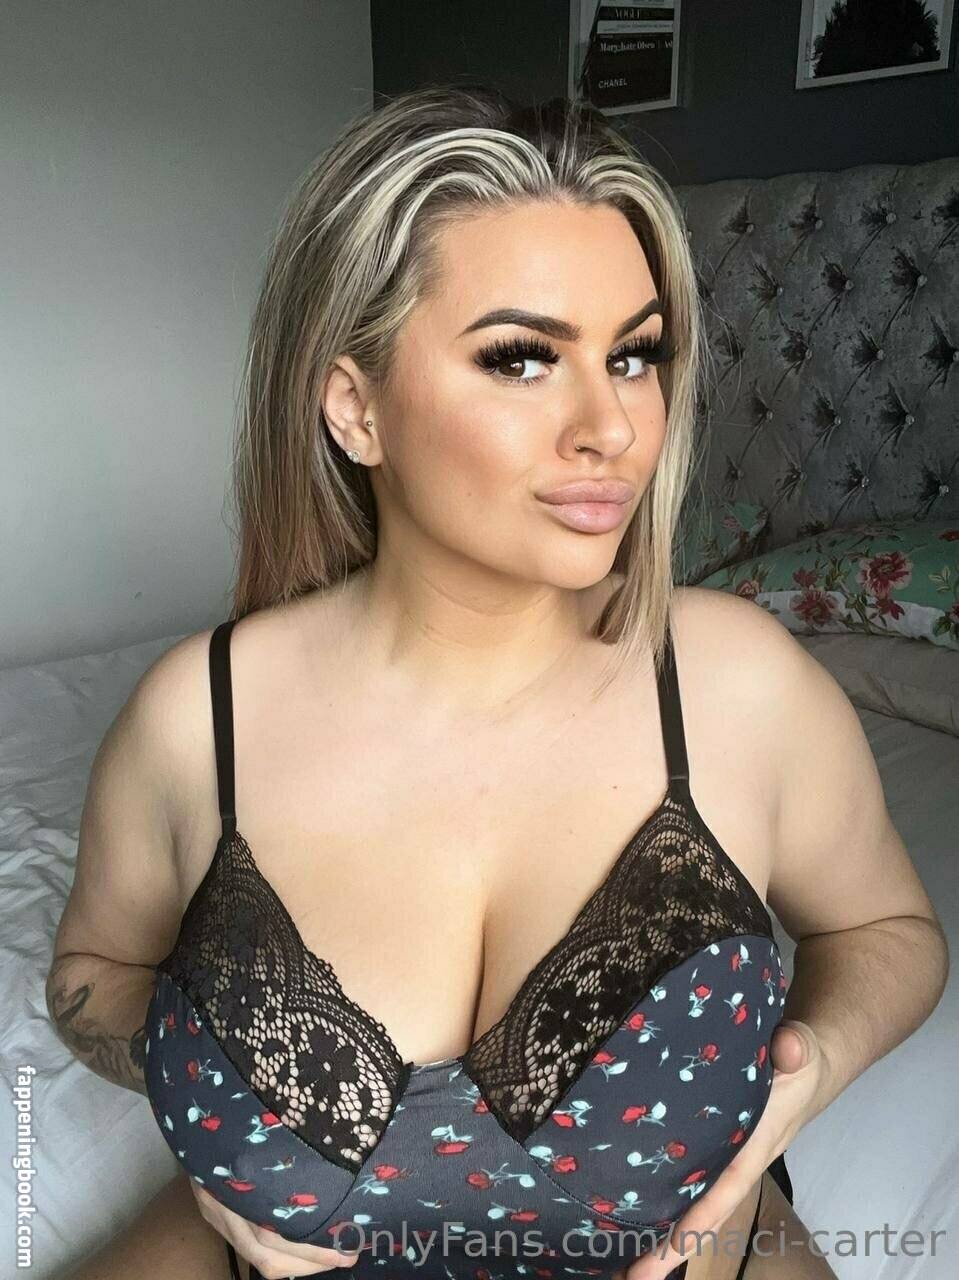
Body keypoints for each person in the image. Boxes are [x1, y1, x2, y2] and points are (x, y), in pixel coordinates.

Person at [49, 85, 948, 1280]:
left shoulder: (737, 686)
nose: (610, 426)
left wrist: (814, 1059)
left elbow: (889, 929)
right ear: (355, 407)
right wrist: (203, 1099)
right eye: (521, 358)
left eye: (632, 354)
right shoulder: (196, 720)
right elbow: (91, 977)